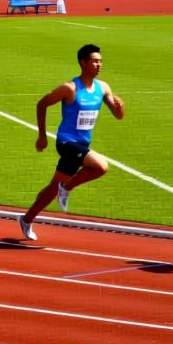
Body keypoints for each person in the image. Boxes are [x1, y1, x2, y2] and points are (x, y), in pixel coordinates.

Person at [17, 44, 125, 242]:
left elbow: (118, 115)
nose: (99, 64)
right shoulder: (70, 88)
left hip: (82, 144)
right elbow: (42, 104)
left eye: (101, 61)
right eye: (95, 61)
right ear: (83, 62)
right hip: (66, 143)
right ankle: (66, 189)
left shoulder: (103, 88)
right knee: (101, 166)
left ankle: (26, 219)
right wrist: (42, 136)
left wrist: (120, 106)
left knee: (52, 188)